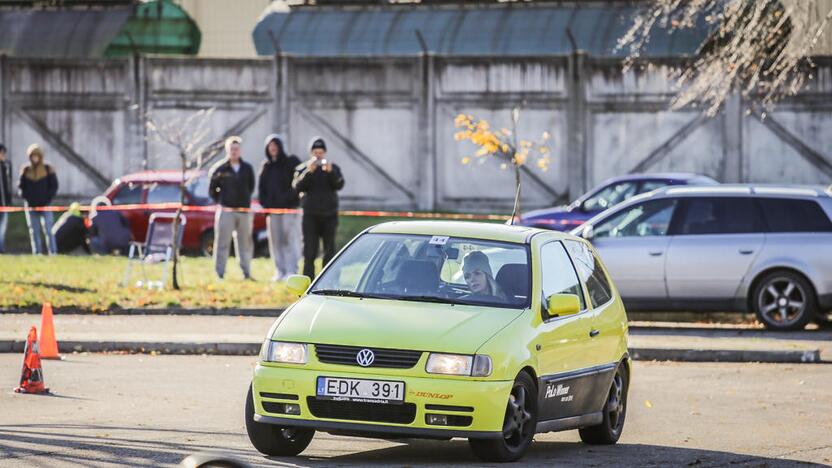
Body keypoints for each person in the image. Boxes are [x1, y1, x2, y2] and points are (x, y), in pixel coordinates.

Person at [292, 137, 344, 278]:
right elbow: (297, 187)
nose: (318, 155)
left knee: (329, 251)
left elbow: (339, 185)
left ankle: (329, 281)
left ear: (325, 153)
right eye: (315, 152)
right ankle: (308, 280)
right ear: (311, 153)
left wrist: (331, 172)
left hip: (330, 216)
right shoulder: (303, 168)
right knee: (309, 251)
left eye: (320, 152)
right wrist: (309, 172)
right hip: (310, 216)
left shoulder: (333, 168)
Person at [209, 136, 255, 280]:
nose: (234, 152)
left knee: (245, 244)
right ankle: (219, 273)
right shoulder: (220, 169)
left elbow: (251, 186)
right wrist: (223, 201)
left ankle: (246, 273)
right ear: (227, 150)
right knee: (222, 243)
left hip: (243, 211)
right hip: (226, 211)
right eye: (231, 149)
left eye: (236, 149)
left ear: (239, 150)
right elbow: (212, 190)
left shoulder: (247, 168)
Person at [258, 134, 302, 281]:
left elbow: (299, 184)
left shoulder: (291, 162)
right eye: (270, 147)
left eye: (275, 146)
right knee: (275, 241)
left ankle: (292, 270)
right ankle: (280, 271)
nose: (273, 149)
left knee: (290, 240)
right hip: (272, 212)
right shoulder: (266, 166)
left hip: (289, 210)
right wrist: (266, 205)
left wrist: (288, 198)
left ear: (280, 147)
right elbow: (261, 189)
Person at [19, 144, 58, 255]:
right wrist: (27, 198)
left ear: (40, 156)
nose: (35, 158)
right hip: (31, 206)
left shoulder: (48, 169)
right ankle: (37, 253)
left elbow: (54, 186)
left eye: (37, 156)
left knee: (48, 230)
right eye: (32, 156)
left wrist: (47, 199)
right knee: (34, 231)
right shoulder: (26, 170)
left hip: (45, 205)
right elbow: (21, 188)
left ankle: (53, 252)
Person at [0, 144, 11, 253]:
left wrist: (8, 201)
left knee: (2, 228)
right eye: (2, 153)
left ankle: (1, 249)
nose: (3, 155)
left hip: (4, 204)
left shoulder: (5, 166)